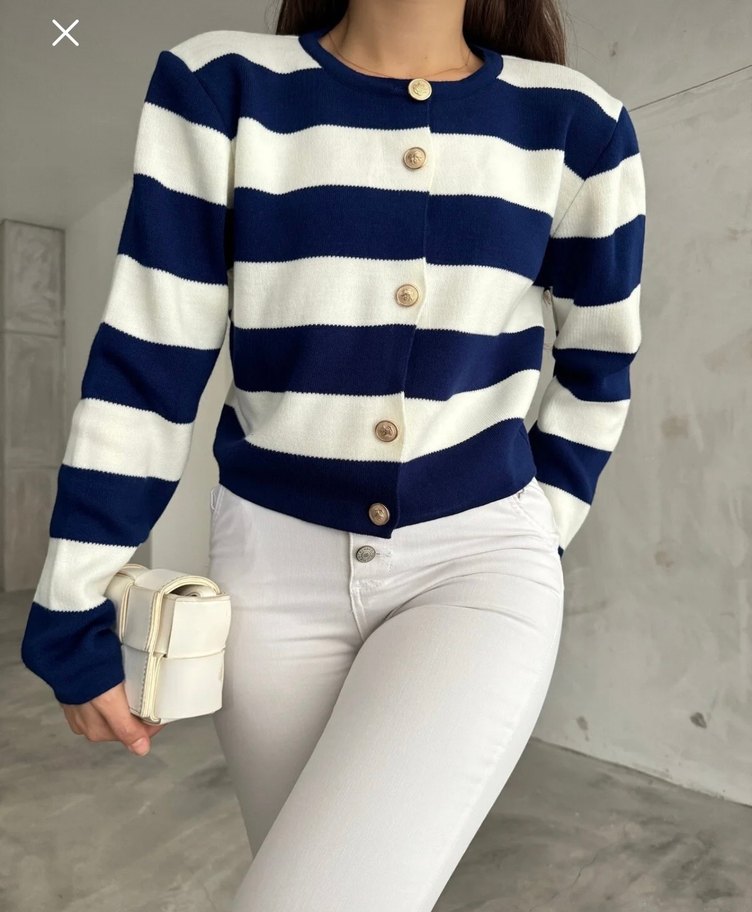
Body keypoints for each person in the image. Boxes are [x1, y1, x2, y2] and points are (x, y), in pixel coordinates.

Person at [20, 1, 646, 909]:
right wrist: (72, 595)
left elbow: (599, 364)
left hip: (476, 566)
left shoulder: (579, 124)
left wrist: (532, 529)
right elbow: (149, 363)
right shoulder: (222, 87)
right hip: (269, 578)